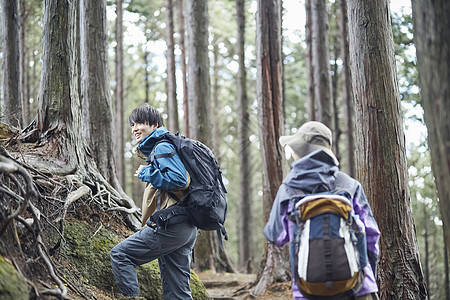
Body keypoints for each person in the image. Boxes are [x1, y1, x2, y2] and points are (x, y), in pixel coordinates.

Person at [263, 121, 380, 300]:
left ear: (300, 153)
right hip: (357, 287)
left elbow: (275, 236)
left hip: (307, 288)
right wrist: (367, 273)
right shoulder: (349, 185)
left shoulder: (288, 189)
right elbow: (371, 234)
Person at [110, 104, 197, 299]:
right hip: (185, 226)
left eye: (140, 123)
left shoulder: (162, 146)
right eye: (133, 124)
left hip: (170, 225)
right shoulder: (163, 147)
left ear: (155, 124)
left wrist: (147, 172)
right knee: (177, 291)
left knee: (120, 255)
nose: (135, 129)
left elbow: (180, 180)